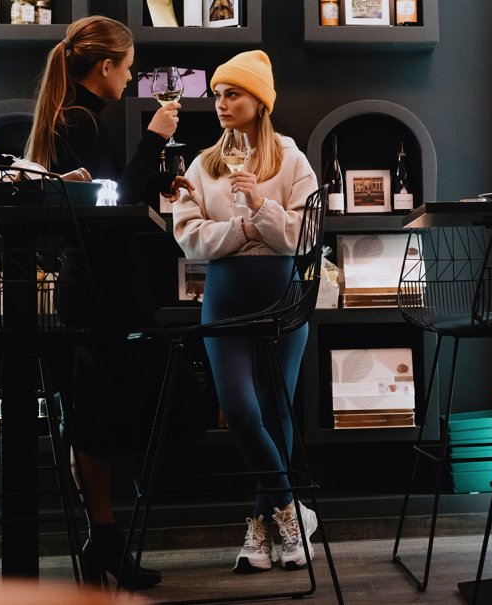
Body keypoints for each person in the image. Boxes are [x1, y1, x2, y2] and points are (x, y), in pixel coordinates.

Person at [22, 15, 197, 589]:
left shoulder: (77, 117)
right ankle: (106, 541)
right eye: (126, 67)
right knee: (124, 408)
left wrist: (157, 181)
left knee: (93, 415)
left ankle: (105, 542)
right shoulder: (78, 119)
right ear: (104, 66)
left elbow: (114, 191)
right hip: (98, 288)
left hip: (92, 285)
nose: (130, 77)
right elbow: (112, 201)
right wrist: (156, 136)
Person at [172, 50, 320, 574]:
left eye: (232, 93)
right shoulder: (202, 164)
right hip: (225, 301)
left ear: (260, 101)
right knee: (239, 411)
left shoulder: (292, 160)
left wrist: (259, 205)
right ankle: (292, 511)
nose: (220, 104)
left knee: (277, 414)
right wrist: (247, 229)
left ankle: (260, 529)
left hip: (284, 303)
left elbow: (306, 237)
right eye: (217, 94)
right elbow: (189, 238)